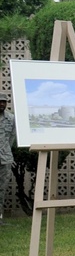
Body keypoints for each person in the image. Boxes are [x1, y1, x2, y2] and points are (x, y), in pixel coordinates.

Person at [0, 93, 15, 225]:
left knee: (2, 189)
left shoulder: (11, 118)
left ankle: (0, 218)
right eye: (0, 102)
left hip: (5, 160)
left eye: (4, 102)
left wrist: (6, 152)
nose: (2, 104)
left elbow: (11, 138)